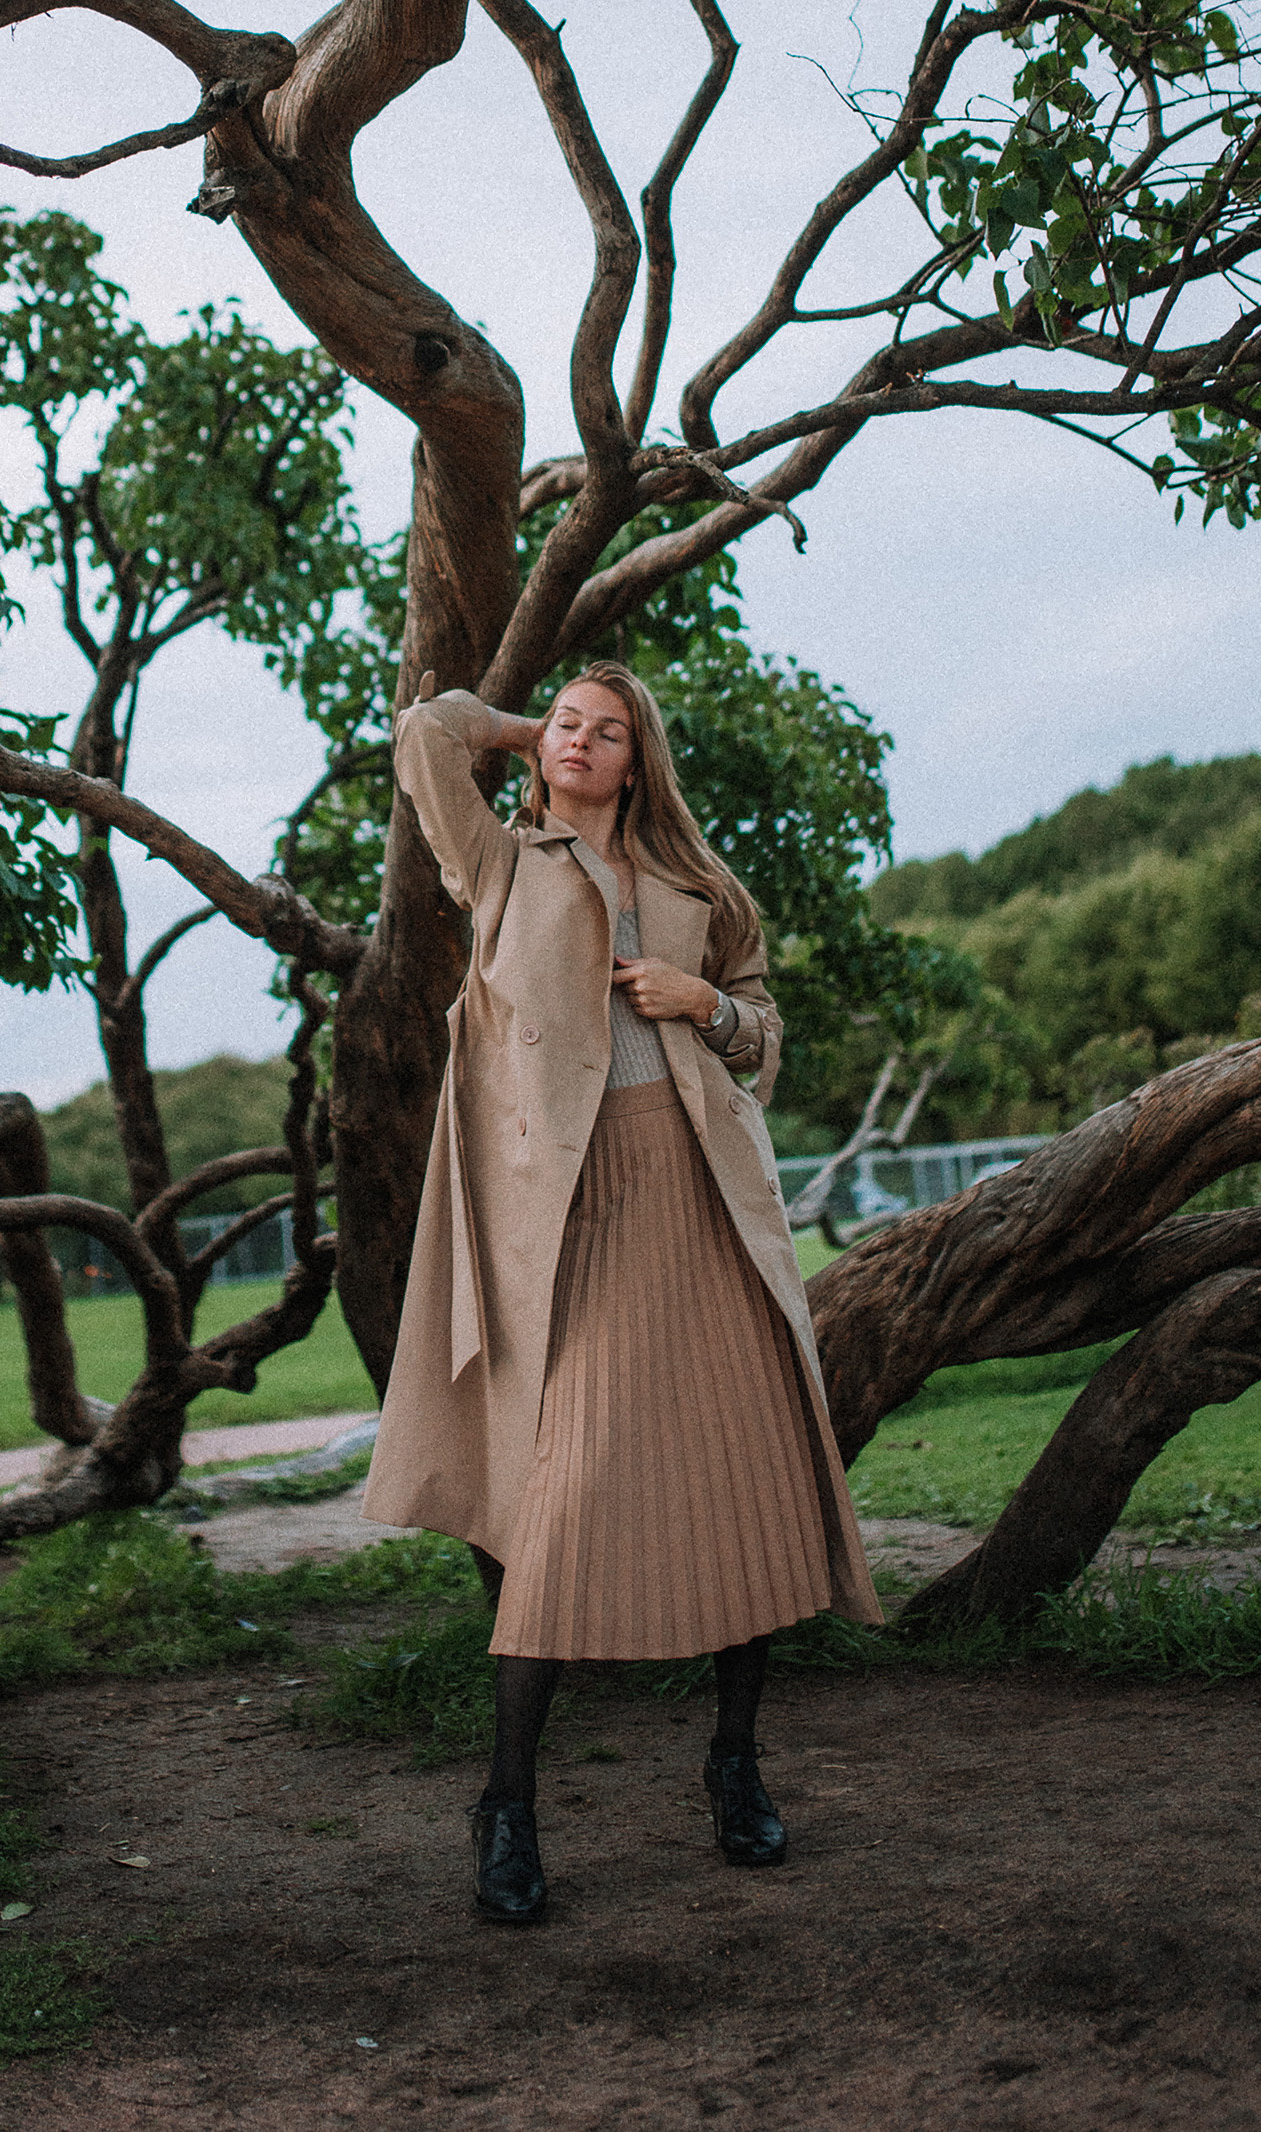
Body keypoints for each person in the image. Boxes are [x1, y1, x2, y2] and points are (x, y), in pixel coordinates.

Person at [362, 665, 882, 1922]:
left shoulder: (704, 890)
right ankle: (507, 1804)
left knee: (742, 1479)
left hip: (700, 1204)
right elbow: (426, 737)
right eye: (563, 726)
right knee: (559, 1503)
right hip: (569, 1218)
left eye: (603, 729)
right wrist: (508, 719)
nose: (576, 742)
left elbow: (763, 1027)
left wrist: (705, 1001)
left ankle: (734, 1761)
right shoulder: (498, 865)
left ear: (640, 758)